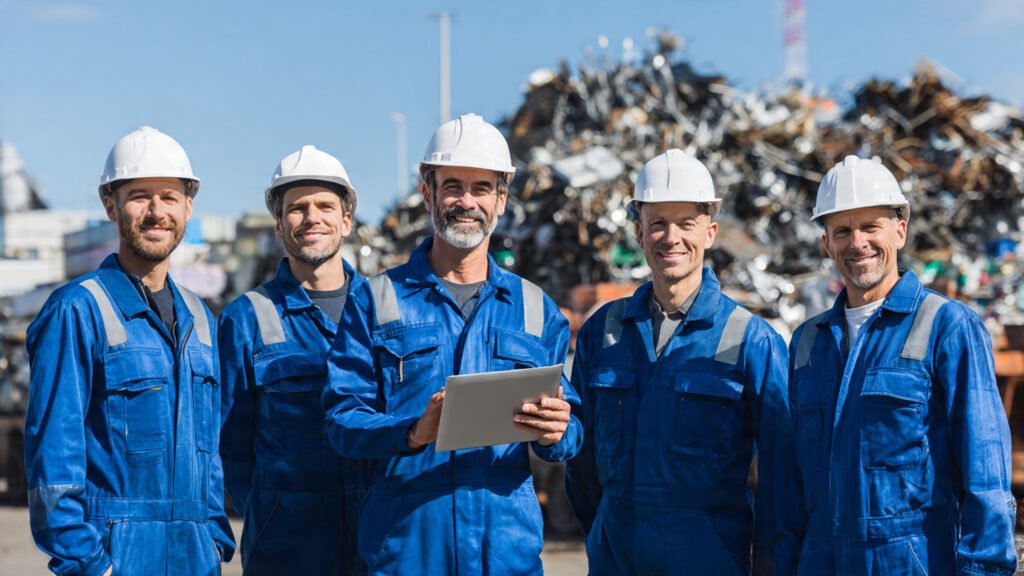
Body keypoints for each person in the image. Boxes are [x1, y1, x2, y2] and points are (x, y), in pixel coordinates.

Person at [323, 113, 582, 574]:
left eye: (481, 188)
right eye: (452, 186)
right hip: (409, 549)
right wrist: (412, 432)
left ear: (501, 200)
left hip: (505, 553)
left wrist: (558, 432)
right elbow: (342, 420)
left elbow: (572, 427)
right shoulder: (376, 301)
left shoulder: (536, 309)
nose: (466, 201)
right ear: (428, 193)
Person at [776, 155, 1016, 574]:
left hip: (910, 559)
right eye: (843, 231)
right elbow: (793, 485)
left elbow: (985, 473)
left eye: (871, 227)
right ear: (826, 243)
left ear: (899, 231)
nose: (858, 243)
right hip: (820, 559)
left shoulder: (947, 325)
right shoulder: (807, 341)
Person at [565, 149, 790, 575]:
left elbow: (782, 481)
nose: (672, 238)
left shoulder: (749, 339)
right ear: (638, 232)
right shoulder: (604, 332)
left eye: (686, 224)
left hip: (708, 560)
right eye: (658, 224)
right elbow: (581, 463)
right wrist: (604, 533)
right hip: (617, 559)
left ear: (710, 233)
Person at [24, 126, 234, 576]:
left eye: (170, 197)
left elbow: (210, 450)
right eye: (140, 196)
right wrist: (90, 564)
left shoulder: (201, 319)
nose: (157, 212)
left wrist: (214, 535)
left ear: (189, 206)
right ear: (110, 204)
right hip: (118, 557)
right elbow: (54, 458)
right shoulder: (78, 309)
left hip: (196, 557)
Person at [219, 145, 368, 574]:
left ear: (346, 220)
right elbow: (230, 444)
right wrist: (274, 511)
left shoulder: (385, 309)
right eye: (297, 208)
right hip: (287, 548)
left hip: (377, 541)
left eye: (325, 205)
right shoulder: (246, 317)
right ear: (280, 225)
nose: (311, 217)